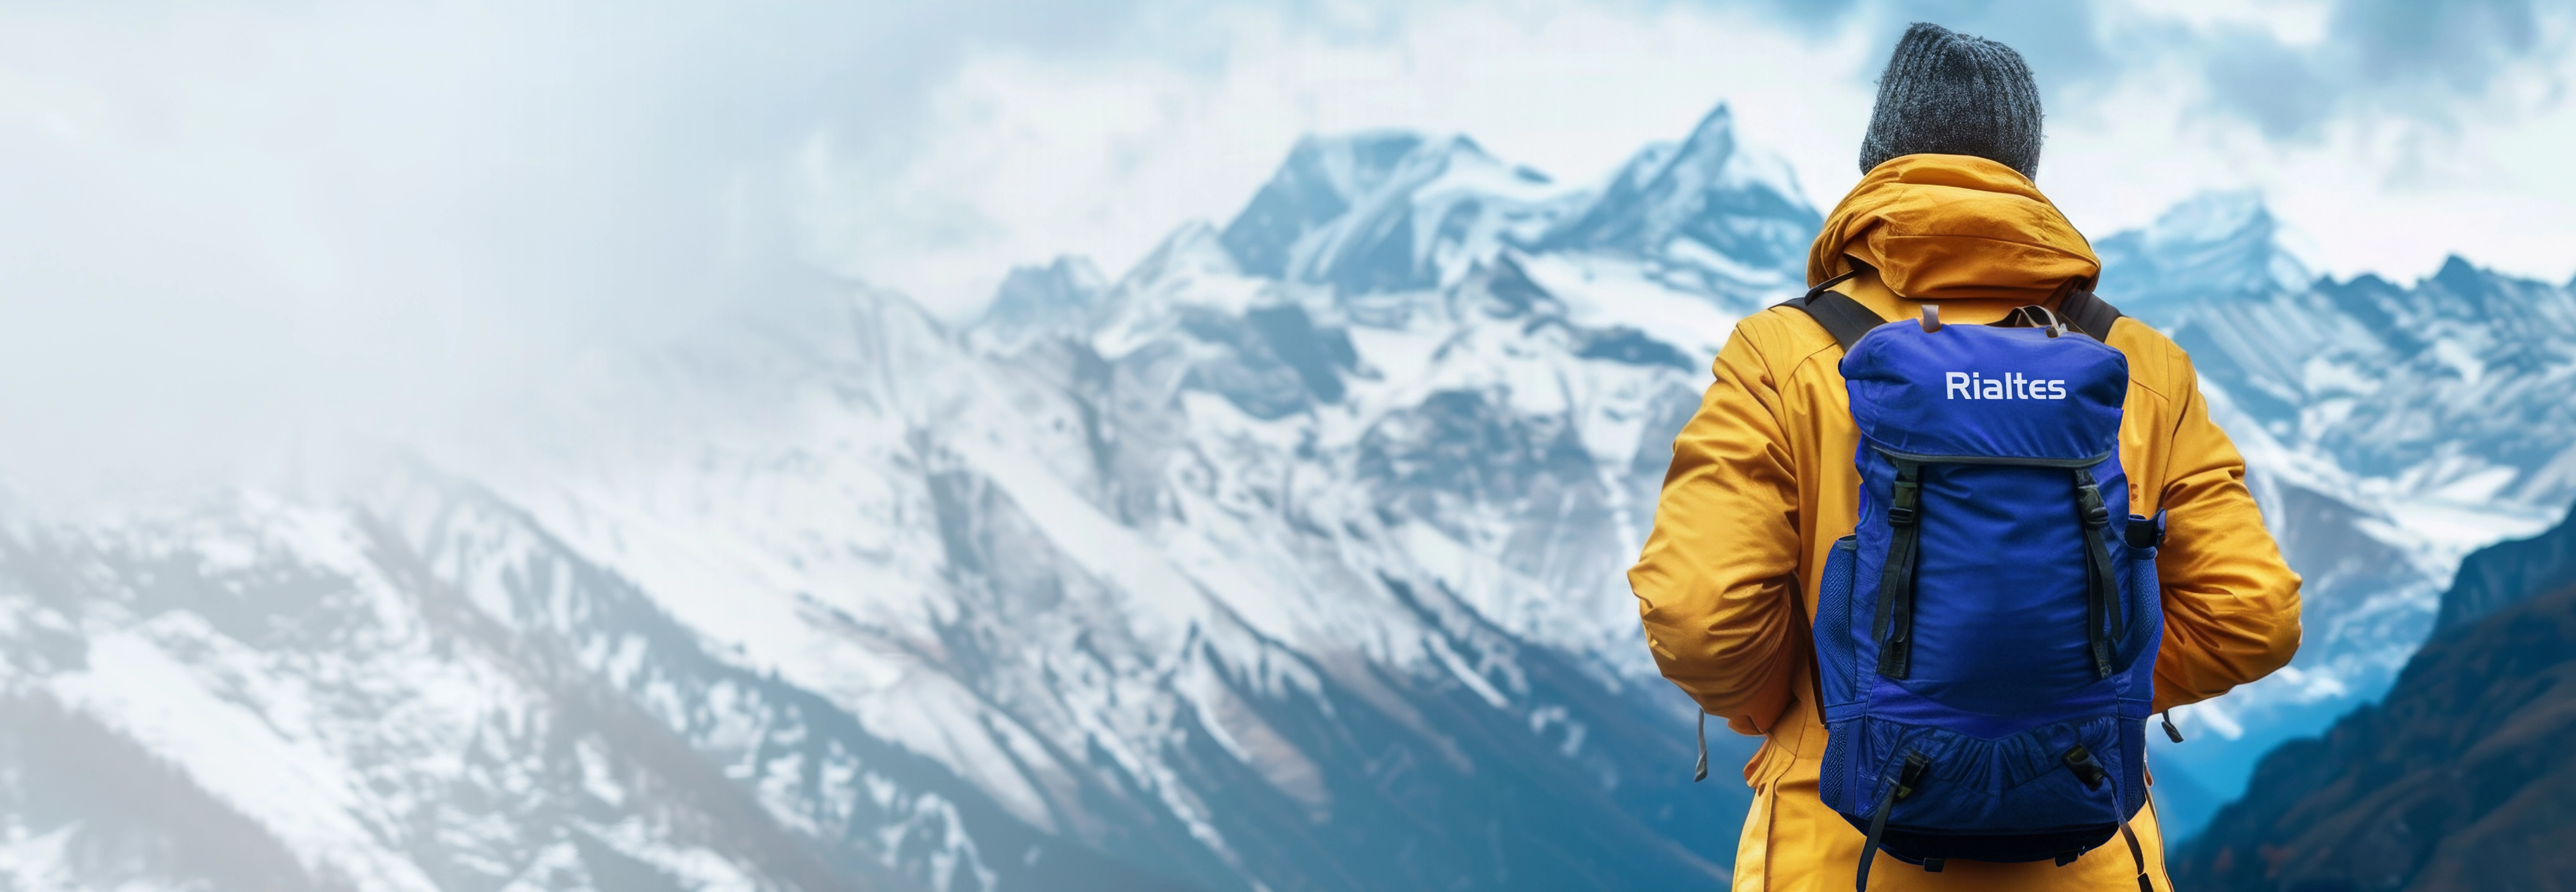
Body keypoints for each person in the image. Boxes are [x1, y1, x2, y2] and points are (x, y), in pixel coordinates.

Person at [1629, 22, 2302, 891]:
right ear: (2023, 173)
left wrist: (1815, 709)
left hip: (1843, 849)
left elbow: (1697, 617)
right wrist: (2079, 692)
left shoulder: (1781, 354)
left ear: (1877, 163)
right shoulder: (2136, 367)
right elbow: (2253, 617)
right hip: (2084, 841)